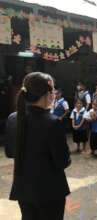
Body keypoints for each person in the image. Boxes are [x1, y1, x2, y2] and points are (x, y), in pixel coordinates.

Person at [4, 72, 71, 220]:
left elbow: (9, 153)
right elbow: (63, 161)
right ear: (47, 94)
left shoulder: (12, 118)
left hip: (23, 187)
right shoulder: (52, 122)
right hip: (50, 191)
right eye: (53, 90)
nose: (54, 94)